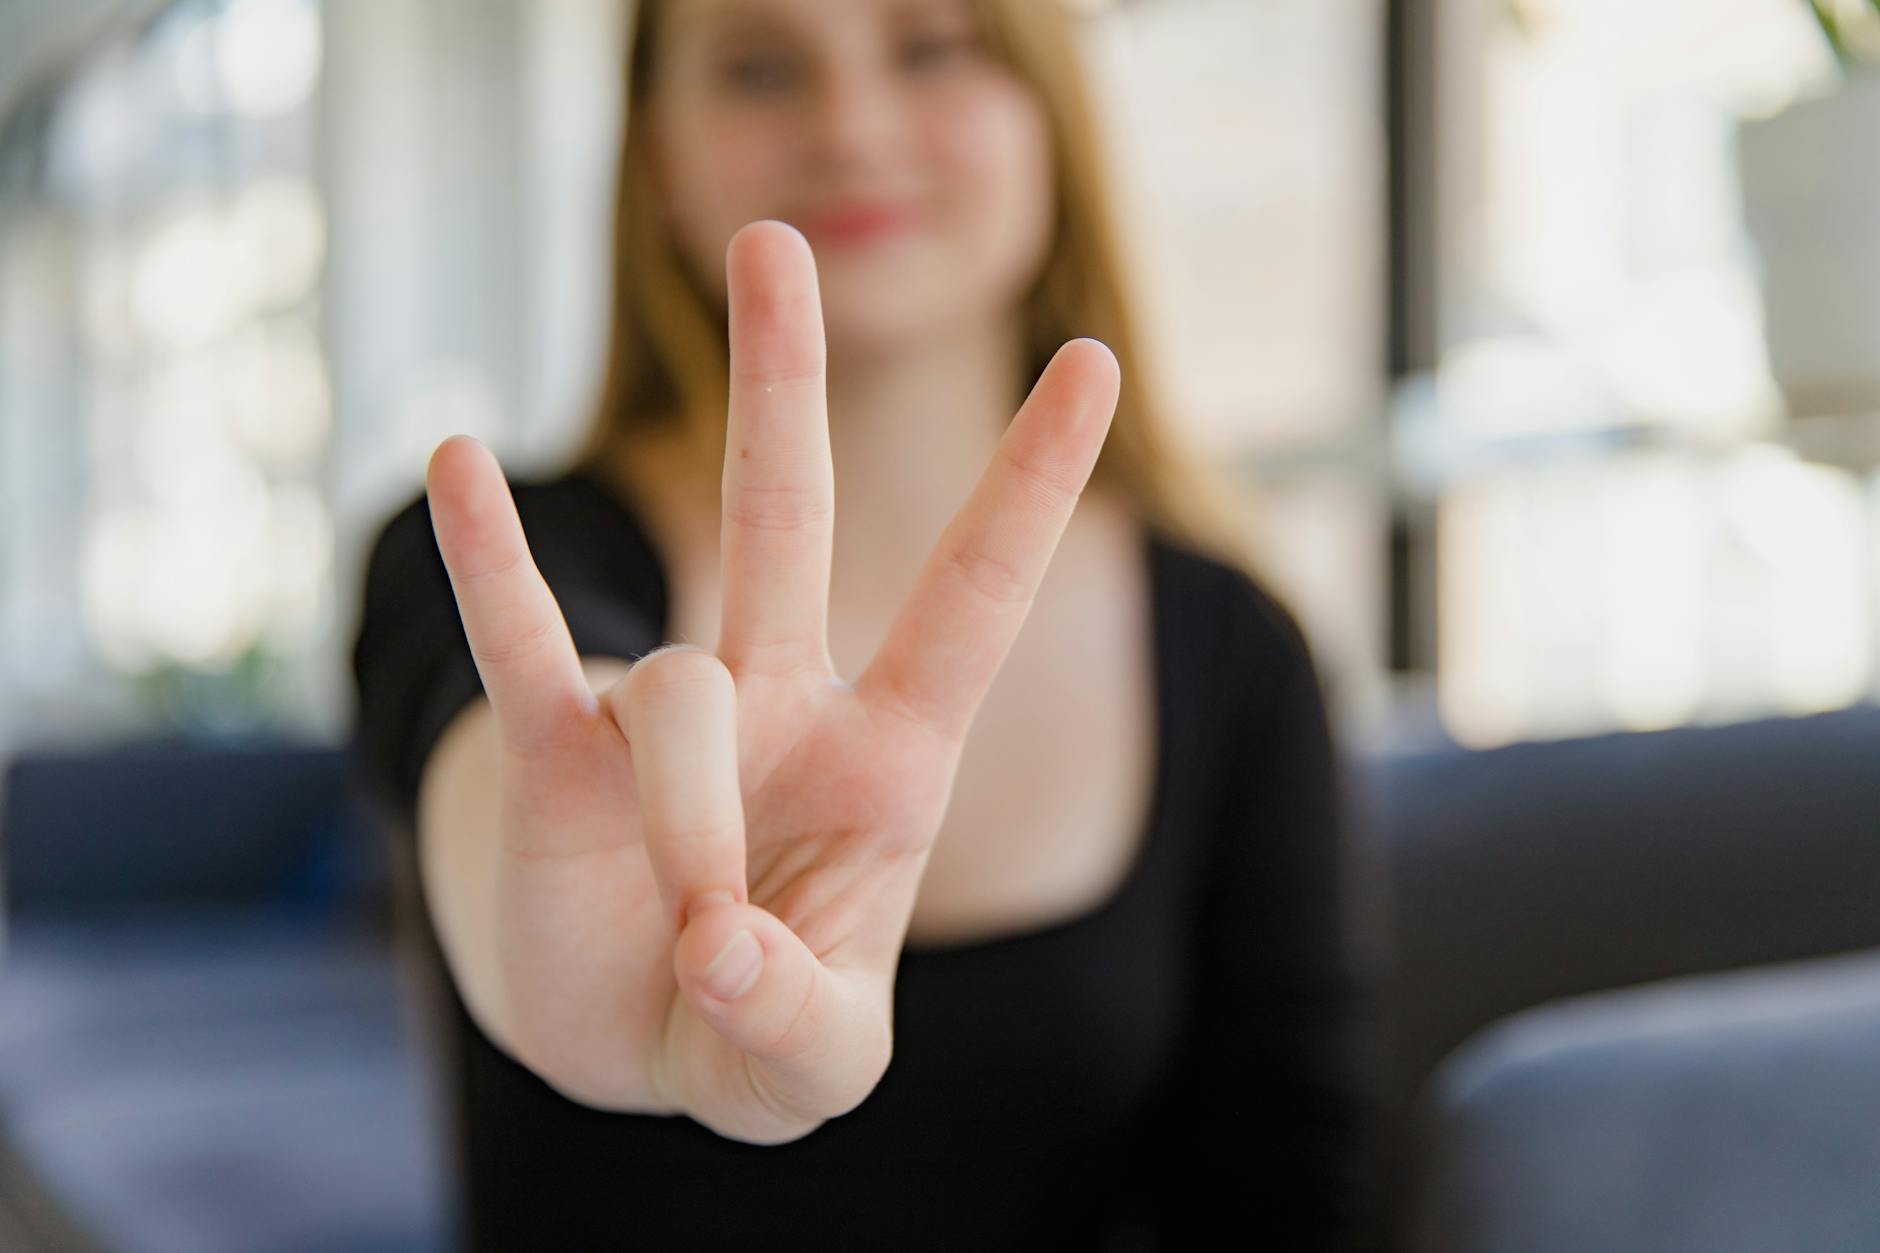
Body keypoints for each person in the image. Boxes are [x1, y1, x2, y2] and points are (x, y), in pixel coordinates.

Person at [349, 0, 1381, 1248]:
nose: (850, 125)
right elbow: (498, 763)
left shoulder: (1235, 649)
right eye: (758, 67)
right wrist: (558, 926)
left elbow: (1291, 1186)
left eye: (933, 46)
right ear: (655, 154)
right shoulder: (488, 561)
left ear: (1049, 116)